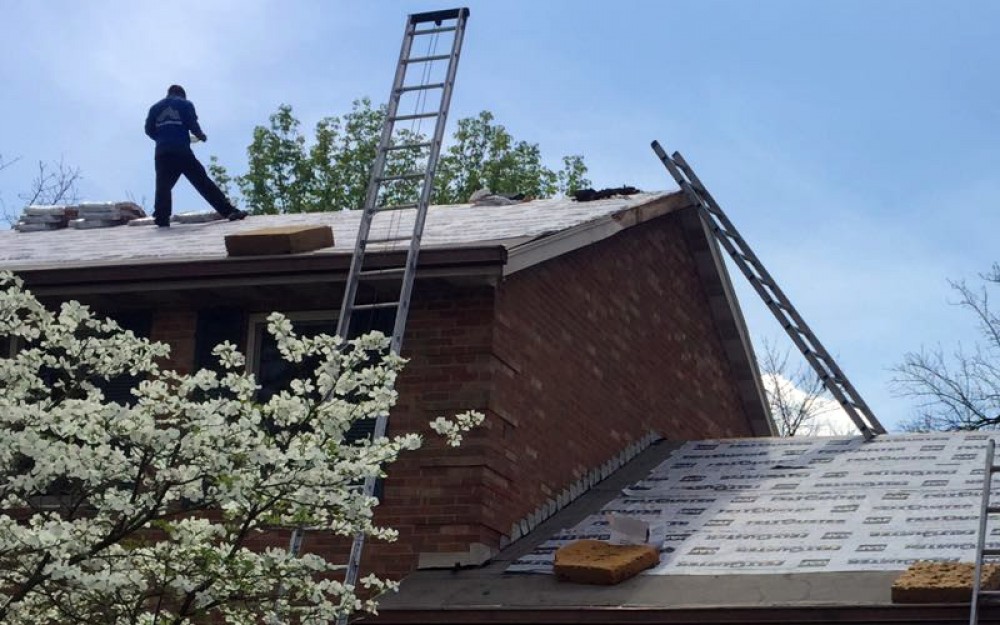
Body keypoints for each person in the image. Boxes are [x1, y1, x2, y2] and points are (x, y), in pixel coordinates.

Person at [144, 85, 248, 227]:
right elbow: (191, 122)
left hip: (163, 152)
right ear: (181, 94)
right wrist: (200, 135)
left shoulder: (155, 108)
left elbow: (148, 130)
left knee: (163, 186)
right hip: (181, 151)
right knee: (202, 181)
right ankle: (229, 211)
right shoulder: (185, 103)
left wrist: (162, 138)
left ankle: (161, 218)